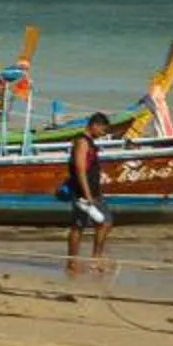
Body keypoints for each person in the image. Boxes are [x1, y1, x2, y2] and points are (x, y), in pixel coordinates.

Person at [65, 110, 114, 267]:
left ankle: (92, 258)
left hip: (92, 191)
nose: (103, 133)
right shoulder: (82, 141)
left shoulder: (89, 141)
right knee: (87, 225)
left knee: (97, 223)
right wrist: (87, 195)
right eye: (102, 130)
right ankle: (77, 261)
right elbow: (80, 168)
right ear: (94, 125)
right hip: (84, 192)